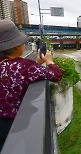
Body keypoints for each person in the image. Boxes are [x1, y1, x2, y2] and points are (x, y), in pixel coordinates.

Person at [0, 20, 62, 151]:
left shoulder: (19, 67)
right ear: (17, 47)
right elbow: (56, 75)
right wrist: (49, 61)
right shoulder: (25, 67)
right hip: (14, 124)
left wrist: (36, 64)